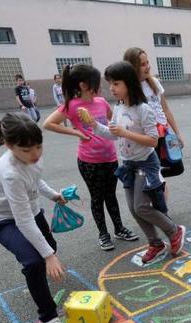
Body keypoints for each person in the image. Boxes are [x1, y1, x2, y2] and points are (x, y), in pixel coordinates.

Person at [79, 61, 186, 265]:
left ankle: (174, 231)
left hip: (146, 163)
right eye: (110, 83)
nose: (111, 88)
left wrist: (125, 132)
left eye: (116, 83)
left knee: (142, 207)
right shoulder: (118, 108)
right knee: (133, 208)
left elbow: (153, 140)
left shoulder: (143, 109)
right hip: (128, 164)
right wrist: (94, 125)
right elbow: (113, 135)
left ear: (128, 83)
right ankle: (155, 243)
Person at [0, 113, 70, 323]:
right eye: (27, 150)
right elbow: (23, 222)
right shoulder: (10, 173)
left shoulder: (33, 158)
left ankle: (44, 269)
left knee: (49, 245)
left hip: (30, 210)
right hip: (2, 220)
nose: (35, 154)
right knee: (34, 261)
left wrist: (53, 196)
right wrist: (49, 257)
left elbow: (35, 178)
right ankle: (49, 318)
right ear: (10, 146)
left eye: (39, 147)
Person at [42, 64, 137, 251]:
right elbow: (48, 123)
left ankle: (119, 228)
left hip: (110, 157)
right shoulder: (72, 105)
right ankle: (103, 233)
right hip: (89, 161)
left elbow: (113, 121)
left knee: (111, 195)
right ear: (84, 85)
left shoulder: (101, 102)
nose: (101, 87)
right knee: (97, 197)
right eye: (96, 83)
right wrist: (76, 133)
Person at [123, 47, 186, 178]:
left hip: (165, 133)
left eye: (147, 63)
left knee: (178, 168)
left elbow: (166, 109)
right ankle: (150, 178)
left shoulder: (154, 82)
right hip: (149, 136)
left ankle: (149, 176)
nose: (147, 67)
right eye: (142, 64)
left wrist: (177, 133)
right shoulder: (129, 90)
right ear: (133, 68)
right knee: (154, 172)